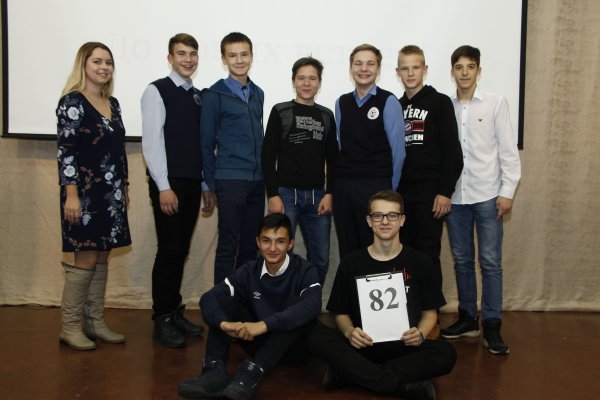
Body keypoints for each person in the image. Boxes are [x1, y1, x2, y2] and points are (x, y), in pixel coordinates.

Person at [309, 190, 456, 400]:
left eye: (392, 215)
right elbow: (340, 313)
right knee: (316, 335)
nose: (385, 221)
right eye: (378, 215)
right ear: (369, 221)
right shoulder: (351, 263)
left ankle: (352, 375)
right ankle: (401, 386)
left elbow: (430, 313)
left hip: (405, 346)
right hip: (362, 346)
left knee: (446, 353)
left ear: (402, 220)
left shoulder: (421, 262)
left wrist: (421, 334)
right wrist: (350, 332)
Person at [177, 213, 322, 400]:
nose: (272, 248)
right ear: (258, 242)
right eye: (266, 241)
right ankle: (214, 371)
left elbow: (313, 305)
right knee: (225, 301)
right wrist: (224, 324)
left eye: (280, 241)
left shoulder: (305, 270)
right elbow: (210, 297)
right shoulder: (249, 270)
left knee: (298, 311)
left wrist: (264, 325)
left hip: (293, 350)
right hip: (258, 342)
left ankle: (252, 372)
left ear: (290, 244)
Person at [440, 45, 521, 356]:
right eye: (459, 67)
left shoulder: (495, 103)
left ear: (478, 71)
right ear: (452, 71)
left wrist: (507, 191)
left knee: (490, 263)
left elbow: (508, 150)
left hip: (488, 195)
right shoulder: (445, 106)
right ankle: (467, 318)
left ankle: (492, 324)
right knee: (462, 261)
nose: (464, 73)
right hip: (456, 197)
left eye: (470, 67)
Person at [141, 33, 215, 348]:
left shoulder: (197, 96)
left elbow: (199, 145)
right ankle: (162, 318)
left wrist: (204, 184)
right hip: (168, 184)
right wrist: (163, 186)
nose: (188, 59)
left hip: (191, 183)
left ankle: (173, 311)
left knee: (181, 250)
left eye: (193, 53)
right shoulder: (156, 90)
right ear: (170, 58)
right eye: (181, 53)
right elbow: (152, 142)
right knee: (169, 250)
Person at [56, 42, 130, 350]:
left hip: (110, 194)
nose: (104, 67)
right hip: (84, 194)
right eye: (97, 61)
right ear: (83, 65)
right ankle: (70, 326)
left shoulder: (113, 103)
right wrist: (71, 194)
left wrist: (124, 188)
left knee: (102, 255)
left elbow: (118, 150)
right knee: (85, 256)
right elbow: (66, 152)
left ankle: (95, 322)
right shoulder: (72, 102)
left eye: (108, 62)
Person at [262, 56, 338, 284]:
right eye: (301, 78)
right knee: (278, 256)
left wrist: (330, 193)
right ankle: (281, 303)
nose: (306, 83)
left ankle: (309, 302)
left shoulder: (327, 115)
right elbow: (267, 156)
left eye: (312, 78)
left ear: (319, 83)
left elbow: (333, 159)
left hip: (318, 197)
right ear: (293, 81)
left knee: (320, 259)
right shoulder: (281, 111)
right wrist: (273, 194)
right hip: (285, 196)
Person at [395, 45, 463, 294]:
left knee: (428, 253)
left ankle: (431, 310)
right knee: (404, 252)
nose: (410, 73)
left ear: (425, 69)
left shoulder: (440, 102)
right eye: (405, 68)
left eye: (415, 67)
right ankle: (409, 308)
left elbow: (453, 154)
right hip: (402, 193)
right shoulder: (395, 106)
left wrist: (445, 192)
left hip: (430, 193)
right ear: (398, 72)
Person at [201, 32, 265, 285]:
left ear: (251, 56)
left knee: (251, 245)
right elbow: (206, 144)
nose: (239, 60)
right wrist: (208, 183)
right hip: (229, 180)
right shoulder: (214, 95)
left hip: (257, 181)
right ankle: (221, 302)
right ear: (223, 59)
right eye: (233, 55)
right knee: (229, 244)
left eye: (244, 54)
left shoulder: (258, 93)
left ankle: (243, 297)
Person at [334, 44, 405, 259]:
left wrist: (389, 192)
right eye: (358, 63)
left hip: (376, 187)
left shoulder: (389, 101)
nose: (364, 69)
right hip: (345, 187)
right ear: (350, 68)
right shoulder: (341, 102)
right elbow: (341, 145)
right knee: (348, 248)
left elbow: (398, 152)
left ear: (378, 69)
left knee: (374, 250)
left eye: (370, 64)